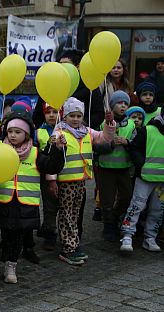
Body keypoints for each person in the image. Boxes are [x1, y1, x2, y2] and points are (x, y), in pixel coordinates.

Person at [0, 111, 65, 283]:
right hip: (3, 199)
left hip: (25, 202)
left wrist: (58, 150)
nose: (13, 135)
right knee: (5, 233)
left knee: (18, 235)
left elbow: (52, 166)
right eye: (10, 132)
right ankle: (6, 258)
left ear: (27, 134)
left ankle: (11, 265)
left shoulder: (35, 153)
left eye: (18, 132)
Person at [49, 97, 115, 265]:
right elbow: (52, 155)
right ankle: (68, 248)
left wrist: (109, 124)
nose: (76, 119)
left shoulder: (87, 132)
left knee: (75, 214)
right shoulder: (60, 132)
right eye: (72, 116)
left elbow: (104, 138)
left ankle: (73, 243)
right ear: (65, 117)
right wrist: (53, 180)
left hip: (80, 182)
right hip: (66, 182)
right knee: (66, 215)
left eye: (79, 116)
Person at [120, 108, 164, 252]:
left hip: (161, 182)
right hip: (145, 177)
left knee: (158, 209)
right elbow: (134, 148)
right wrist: (141, 164)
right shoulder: (148, 130)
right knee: (136, 205)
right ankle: (127, 234)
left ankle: (150, 237)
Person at [94, 91, 135, 242]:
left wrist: (128, 143)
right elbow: (96, 146)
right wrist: (110, 144)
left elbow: (136, 144)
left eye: (125, 103)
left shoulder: (131, 124)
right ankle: (109, 225)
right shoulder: (103, 124)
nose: (123, 106)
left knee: (126, 196)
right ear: (112, 106)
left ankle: (115, 216)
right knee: (107, 199)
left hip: (124, 168)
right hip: (106, 167)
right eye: (119, 103)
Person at [34, 50, 105, 130]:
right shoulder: (51, 83)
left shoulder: (89, 85)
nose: (62, 67)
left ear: (77, 66)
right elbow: (38, 115)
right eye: (60, 64)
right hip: (54, 133)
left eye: (66, 64)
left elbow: (98, 114)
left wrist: (79, 124)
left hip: (81, 134)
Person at [36, 103, 60, 251]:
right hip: (45, 174)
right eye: (48, 112)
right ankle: (50, 234)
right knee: (49, 204)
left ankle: (47, 227)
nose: (51, 115)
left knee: (59, 205)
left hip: (64, 174)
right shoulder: (38, 132)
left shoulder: (65, 130)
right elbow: (38, 154)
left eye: (55, 112)